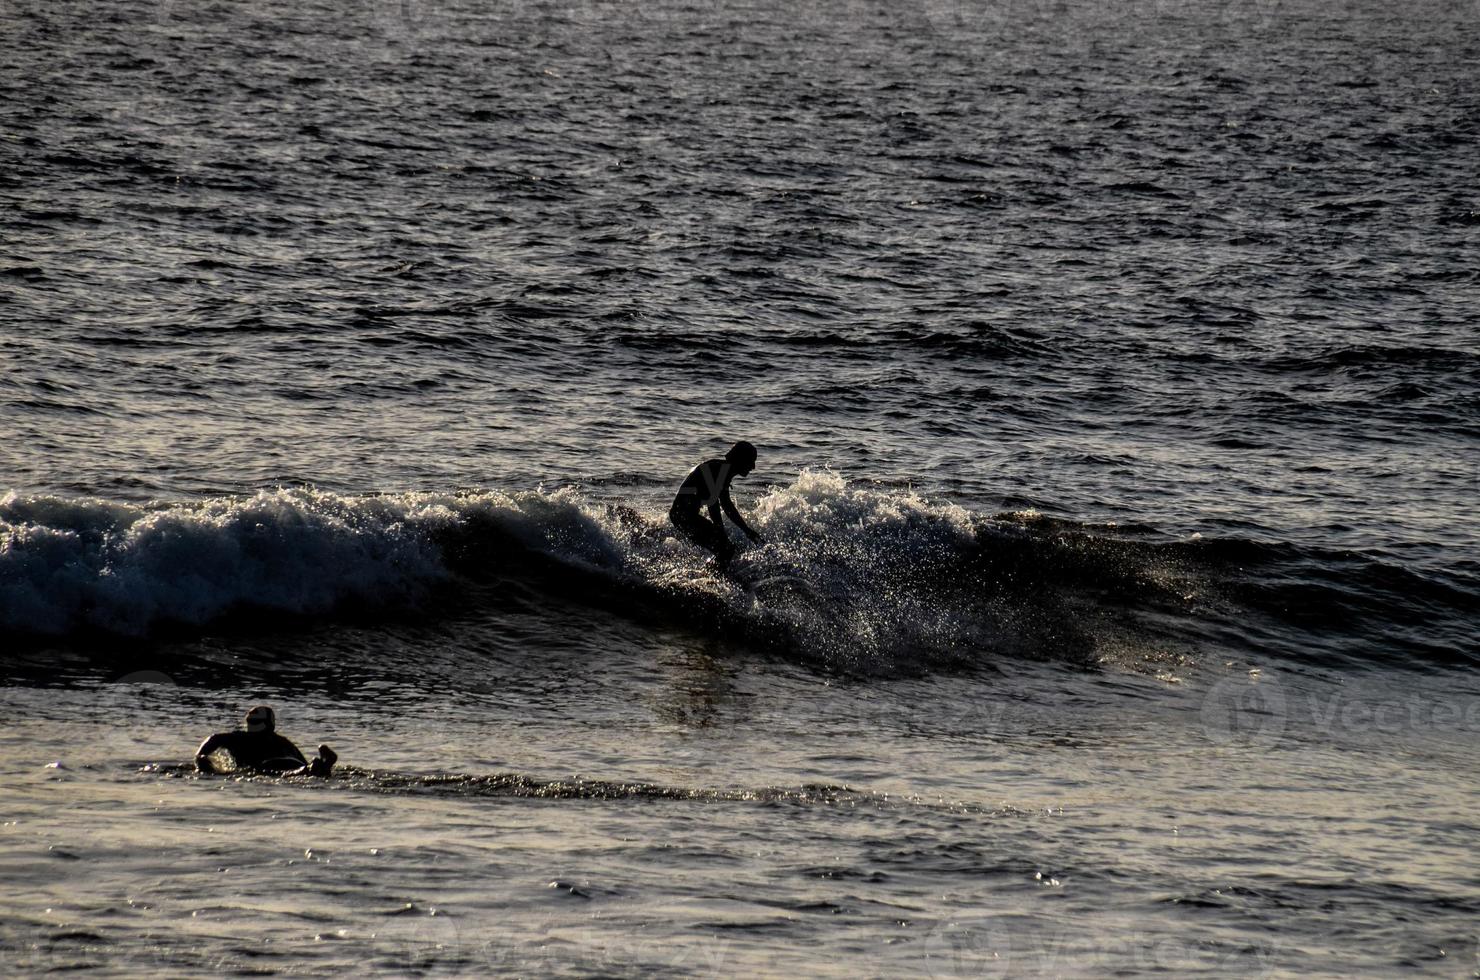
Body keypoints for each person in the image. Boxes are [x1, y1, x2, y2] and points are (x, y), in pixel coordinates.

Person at [669, 440, 763, 569]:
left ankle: (711, 574)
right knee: (726, 549)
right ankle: (712, 577)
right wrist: (720, 530)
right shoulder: (719, 470)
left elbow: (727, 505)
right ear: (740, 460)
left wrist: (747, 531)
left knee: (725, 549)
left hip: (683, 516)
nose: (753, 467)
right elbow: (713, 505)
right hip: (684, 516)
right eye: (751, 461)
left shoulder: (723, 470)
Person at [195, 705, 337, 777]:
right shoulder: (282, 741)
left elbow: (212, 739)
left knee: (286, 774)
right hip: (293, 762)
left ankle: (309, 769)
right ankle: (320, 766)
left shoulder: (237, 738)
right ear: (271, 724)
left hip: (269, 765)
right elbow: (301, 759)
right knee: (306, 770)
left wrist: (201, 759)